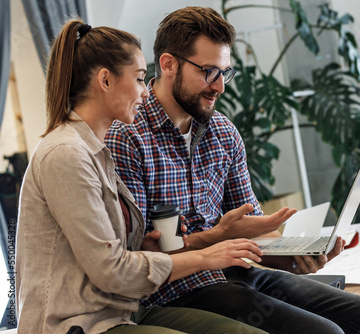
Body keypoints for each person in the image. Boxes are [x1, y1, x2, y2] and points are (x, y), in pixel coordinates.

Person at [105, 6, 360, 334]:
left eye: (224, 73)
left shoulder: (223, 133)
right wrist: (218, 237)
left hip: (242, 273)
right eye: (208, 72)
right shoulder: (128, 137)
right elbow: (142, 254)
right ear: (169, 64)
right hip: (180, 290)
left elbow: (254, 232)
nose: (220, 87)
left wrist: (295, 257)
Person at [15, 18, 275, 334]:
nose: (145, 91)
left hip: (121, 314)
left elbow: (110, 254)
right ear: (106, 81)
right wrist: (205, 257)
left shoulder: (95, 150)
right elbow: (111, 270)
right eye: (139, 79)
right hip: (78, 325)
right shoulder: (66, 154)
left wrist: (147, 248)